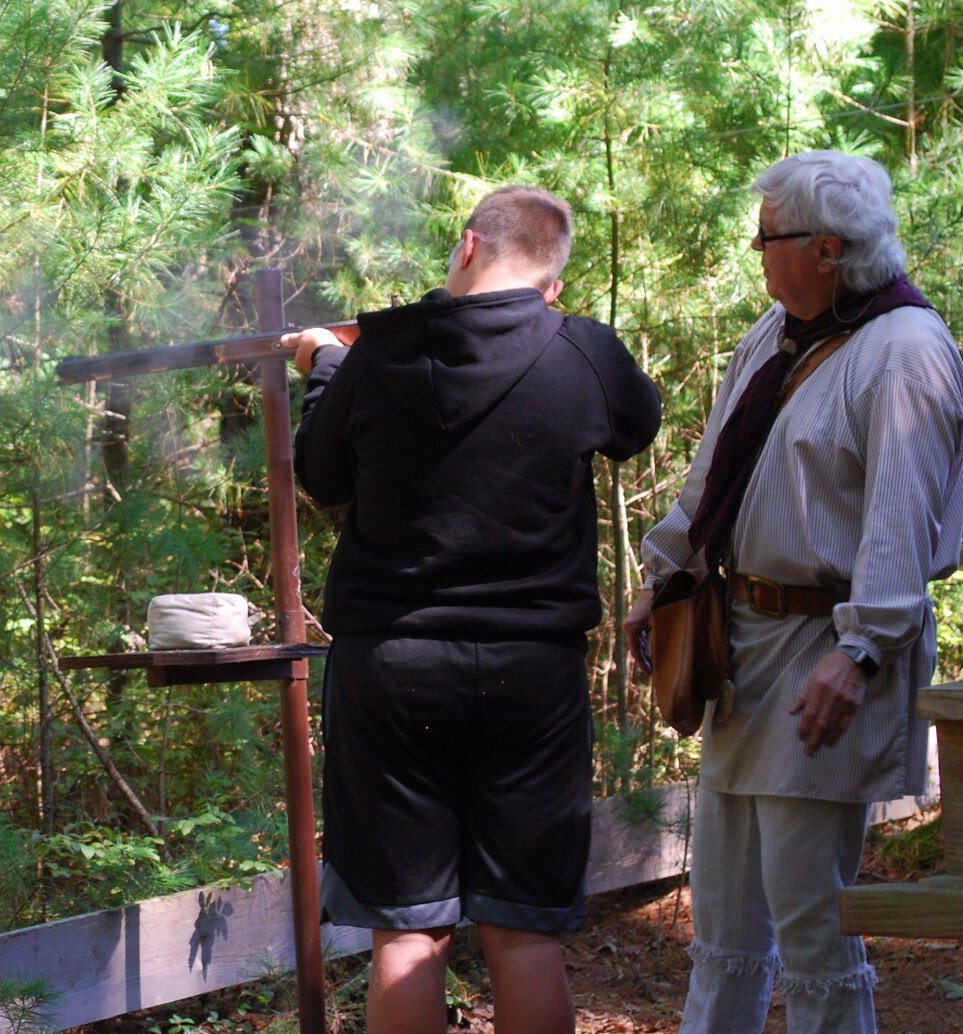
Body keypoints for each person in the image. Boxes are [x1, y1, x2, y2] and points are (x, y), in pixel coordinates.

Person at [286, 185, 661, 1034]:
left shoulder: (379, 353)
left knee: (407, 936)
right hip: (533, 672)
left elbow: (324, 477)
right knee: (524, 934)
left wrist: (327, 369)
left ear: (466, 246)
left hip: (395, 669)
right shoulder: (581, 350)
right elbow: (634, 425)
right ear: (551, 283)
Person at [626, 151, 963, 1033]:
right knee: (725, 923)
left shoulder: (904, 351)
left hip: (828, 655)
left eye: (767, 238)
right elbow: (713, 476)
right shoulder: (778, 331)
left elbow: (898, 523)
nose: (756, 252)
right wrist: (667, 575)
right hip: (745, 649)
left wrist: (860, 654)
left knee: (813, 926)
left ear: (827, 249)